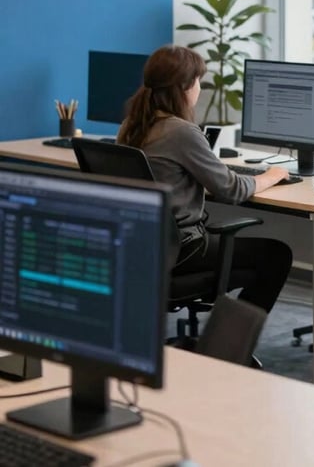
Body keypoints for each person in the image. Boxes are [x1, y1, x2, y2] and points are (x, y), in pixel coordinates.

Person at [118, 44, 293, 317]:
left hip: (144, 246)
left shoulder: (131, 125)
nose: (200, 88)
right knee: (276, 255)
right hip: (183, 249)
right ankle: (229, 345)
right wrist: (272, 175)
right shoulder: (181, 132)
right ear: (185, 86)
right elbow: (231, 189)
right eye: (199, 80)